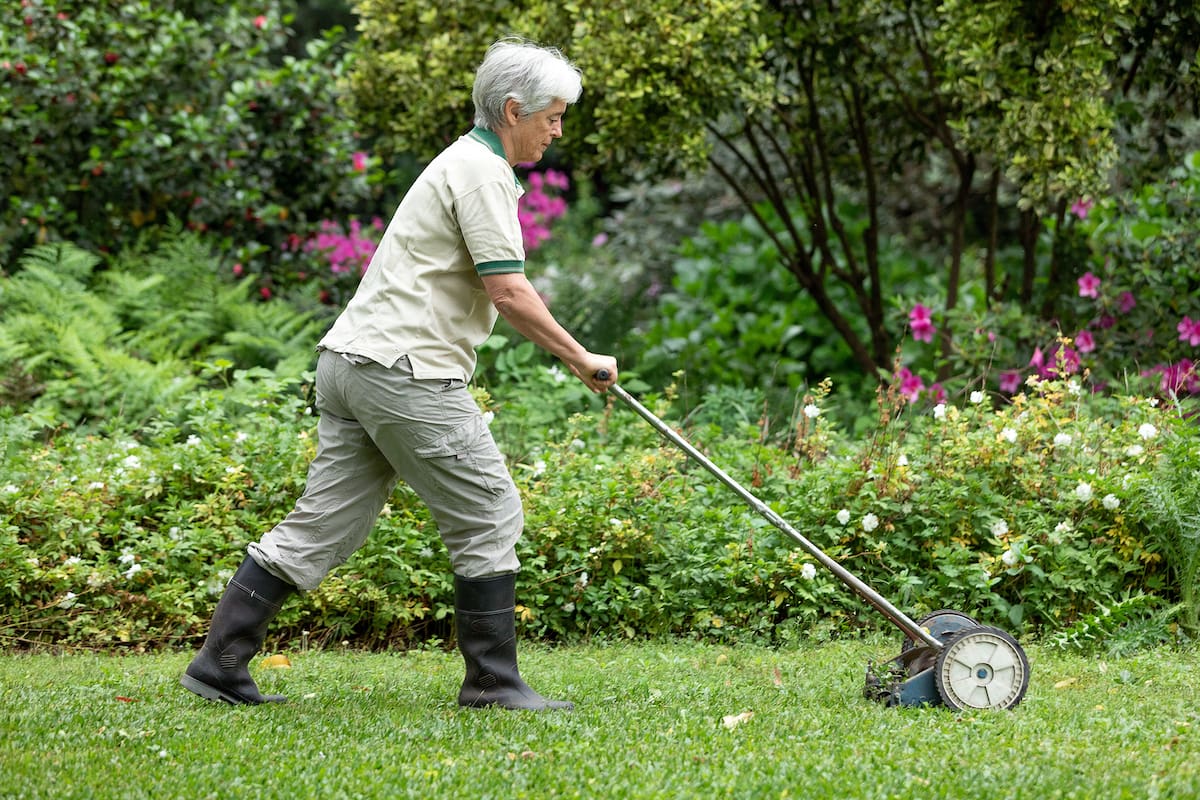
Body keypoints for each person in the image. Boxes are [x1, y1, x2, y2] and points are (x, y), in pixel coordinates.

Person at [181, 37, 617, 711]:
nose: (557, 130)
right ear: (512, 109)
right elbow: (508, 289)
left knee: (325, 523)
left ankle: (219, 663)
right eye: (552, 116)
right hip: (405, 371)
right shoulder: (481, 171)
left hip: (351, 364)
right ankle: (494, 683)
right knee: (490, 511)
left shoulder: (461, 164)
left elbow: (481, 281)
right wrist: (580, 356)